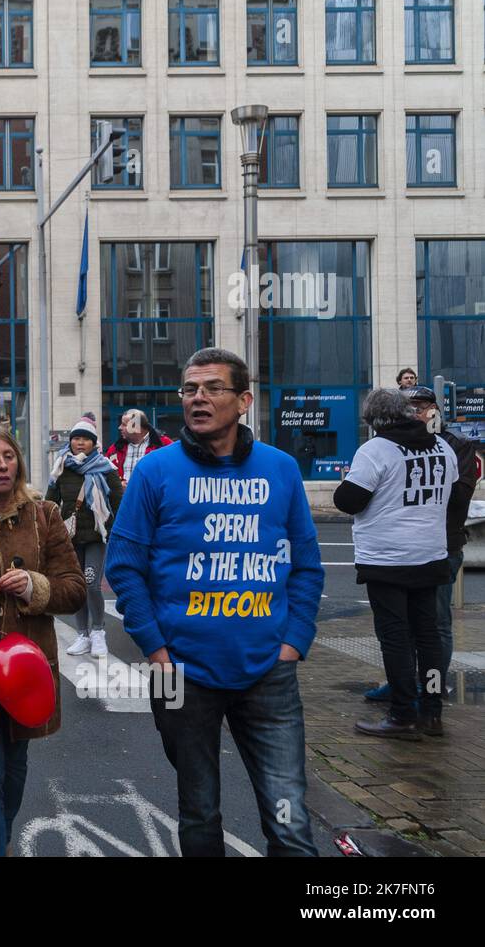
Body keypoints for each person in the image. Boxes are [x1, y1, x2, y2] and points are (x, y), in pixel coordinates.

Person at [104, 348, 325, 856]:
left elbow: (307, 567)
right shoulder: (156, 472)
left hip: (270, 672)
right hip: (181, 674)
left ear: (244, 400)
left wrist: (294, 643)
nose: (198, 398)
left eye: (212, 388)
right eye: (189, 389)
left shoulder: (281, 469)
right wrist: (156, 652)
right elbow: (123, 567)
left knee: (289, 822)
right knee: (199, 815)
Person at [0, 424, 85, 856]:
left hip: (28, 670)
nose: (2, 465)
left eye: (8, 456)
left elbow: (75, 589)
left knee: (14, 770)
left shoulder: (43, 515)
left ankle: (0, 840)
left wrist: (33, 586)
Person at [335, 389, 458, 739]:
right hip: (431, 554)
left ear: (373, 420)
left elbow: (349, 501)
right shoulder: (442, 447)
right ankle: (432, 711)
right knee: (429, 637)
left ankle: (403, 713)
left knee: (396, 639)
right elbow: (450, 489)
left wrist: (348, 481)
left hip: (387, 559)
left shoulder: (376, 450)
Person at [364, 386, 479, 705]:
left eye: (420, 406)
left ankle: (432, 689)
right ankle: (400, 683)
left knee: (434, 626)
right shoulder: (389, 444)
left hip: (442, 546)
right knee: (397, 628)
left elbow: (459, 496)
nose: (414, 412)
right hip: (401, 548)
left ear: (435, 410)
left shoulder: (456, 445)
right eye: (409, 406)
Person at [47, 413, 122, 657]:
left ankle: (98, 632)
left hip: (97, 536)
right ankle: (83, 635)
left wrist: (114, 532)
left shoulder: (106, 468)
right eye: (76, 438)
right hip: (70, 538)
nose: (79, 443)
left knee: (91, 584)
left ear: (93, 443)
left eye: (85, 439)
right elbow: (51, 501)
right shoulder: (61, 466)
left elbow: (118, 503)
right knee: (78, 586)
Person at [105, 408, 173, 486]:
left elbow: (175, 472)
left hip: (154, 497)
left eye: (124, 424)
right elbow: (105, 475)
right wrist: (118, 485)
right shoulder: (114, 449)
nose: (119, 427)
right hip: (123, 498)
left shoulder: (164, 445)